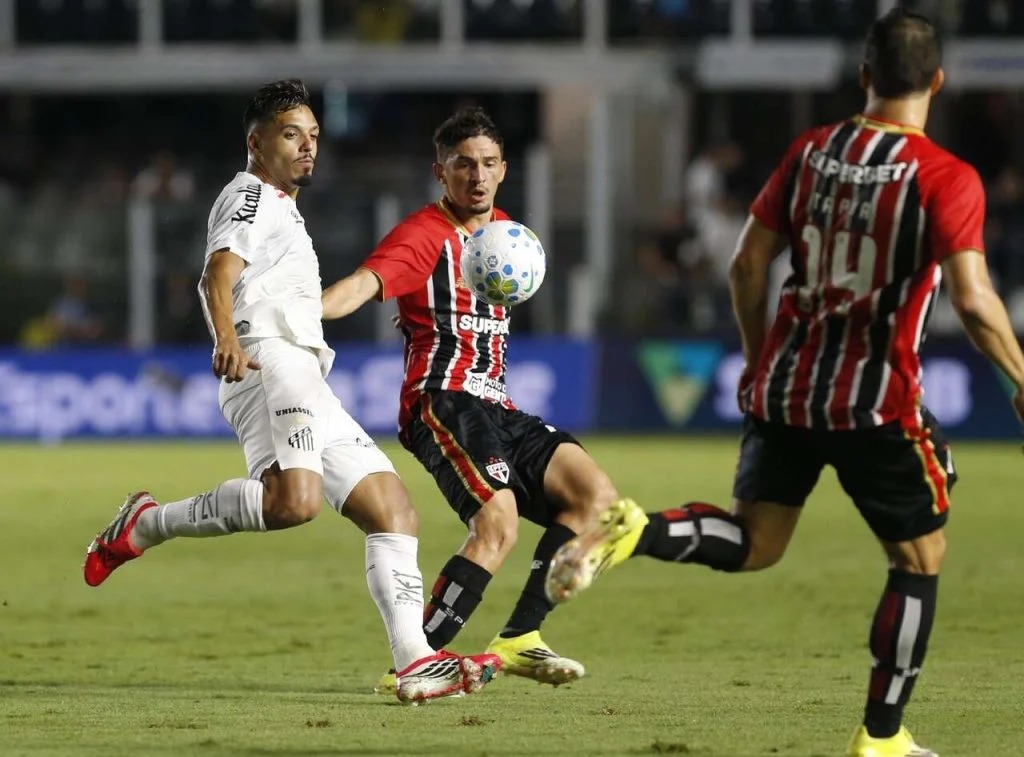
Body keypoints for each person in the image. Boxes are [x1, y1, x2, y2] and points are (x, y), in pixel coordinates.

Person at [545, 9, 1024, 757]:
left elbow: (745, 265)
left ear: (864, 76)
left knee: (756, 540)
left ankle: (635, 528)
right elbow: (973, 297)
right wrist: (1020, 376)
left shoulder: (812, 152)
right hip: (873, 400)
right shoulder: (946, 177)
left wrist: (760, 354)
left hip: (786, 386)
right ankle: (884, 738)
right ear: (937, 80)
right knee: (920, 559)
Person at [82, 79, 500, 705]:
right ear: (256, 143)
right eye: (291, 135)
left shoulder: (282, 206)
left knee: (393, 510)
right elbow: (215, 274)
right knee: (293, 503)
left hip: (303, 370)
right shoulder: (251, 195)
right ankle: (147, 524)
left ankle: (415, 660)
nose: (308, 148)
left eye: (313, 137)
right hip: (269, 361)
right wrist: (226, 336)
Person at [321, 106, 643, 687]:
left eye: (488, 164)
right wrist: (300, 313)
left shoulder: (507, 238)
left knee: (596, 499)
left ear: (504, 170)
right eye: (463, 165)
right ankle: (416, 661)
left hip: (496, 403)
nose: (477, 175)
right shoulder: (423, 236)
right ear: (440, 173)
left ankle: (520, 636)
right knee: (499, 522)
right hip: (441, 399)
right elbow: (364, 285)